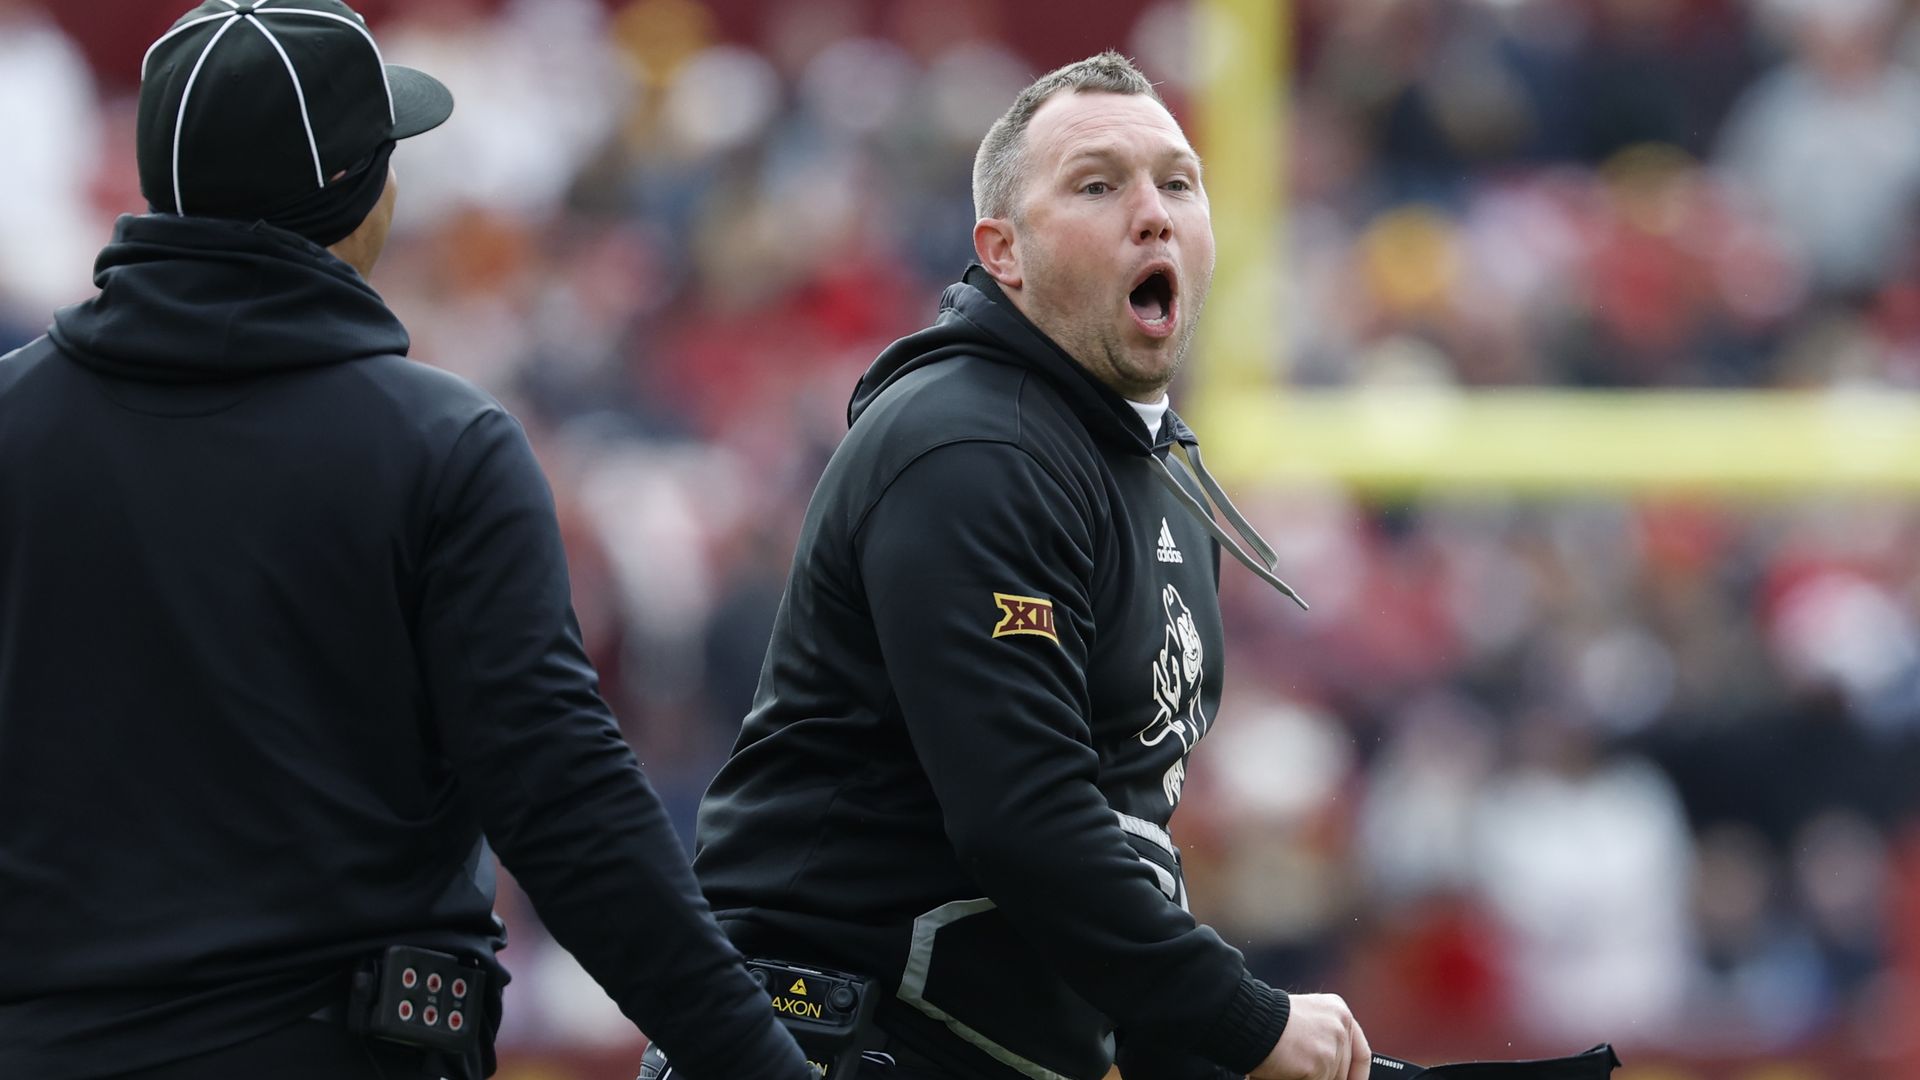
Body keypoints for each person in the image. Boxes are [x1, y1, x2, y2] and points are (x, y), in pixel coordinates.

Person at [0, 4, 812, 1080]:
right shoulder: (443, 448)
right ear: (356, 195)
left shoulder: (12, 421)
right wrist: (758, 1060)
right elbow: (568, 810)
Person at [691, 52, 1372, 1080]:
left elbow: (1122, 830)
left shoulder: (1153, 477)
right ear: (1001, 252)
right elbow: (1023, 819)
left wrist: (1191, 1042)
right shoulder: (975, 448)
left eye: (1178, 183)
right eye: (1098, 185)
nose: (1152, 213)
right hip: (838, 1041)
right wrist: (1244, 1020)